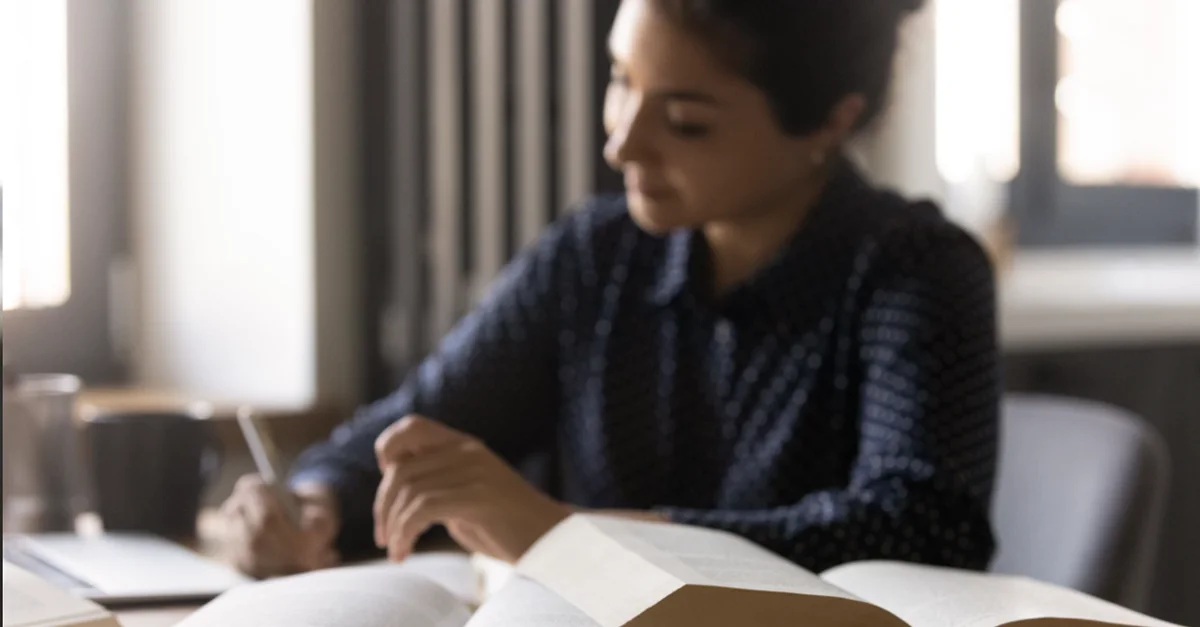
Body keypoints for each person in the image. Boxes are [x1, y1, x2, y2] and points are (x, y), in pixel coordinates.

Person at [221, 0, 1000, 579]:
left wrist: (569, 536)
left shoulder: (917, 270)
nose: (621, 140)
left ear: (832, 121)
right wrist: (313, 501)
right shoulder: (596, 255)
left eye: (686, 120)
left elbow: (921, 527)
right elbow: (425, 416)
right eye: (621, 81)